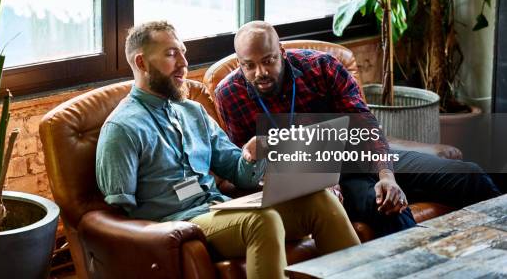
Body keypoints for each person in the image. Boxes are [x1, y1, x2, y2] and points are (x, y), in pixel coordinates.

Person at [96, 21, 360, 279]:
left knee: (320, 200)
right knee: (262, 221)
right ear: (141, 63)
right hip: (176, 224)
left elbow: (239, 172)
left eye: (183, 54)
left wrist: (253, 153)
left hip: (219, 210)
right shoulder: (121, 128)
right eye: (171, 54)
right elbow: (120, 211)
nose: (184, 65)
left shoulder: (193, 112)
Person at [214, 21, 501, 237]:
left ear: (282, 52)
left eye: (268, 60)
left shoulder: (321, 67)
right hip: (320, 178)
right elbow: (251, 170)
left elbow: (364, 126)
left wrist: (386, 175)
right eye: (248, 66)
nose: (260, 73)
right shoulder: (230, 94)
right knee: (386, 208)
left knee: (469, 175)